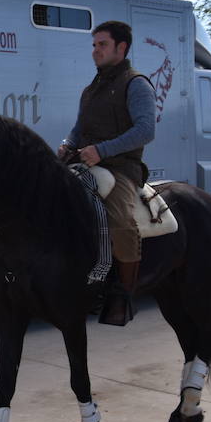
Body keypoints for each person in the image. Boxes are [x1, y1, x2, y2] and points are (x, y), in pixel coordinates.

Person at [57, 20, 156, 326]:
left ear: (121, 48)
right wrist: (68, 144)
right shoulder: (90, 89)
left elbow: (145, 130)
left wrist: (103, 150)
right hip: (84, 162)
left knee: (121, 222)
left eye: (102, 44)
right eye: (94, 45)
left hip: (121, 168)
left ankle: (123, 295)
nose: (95, 51)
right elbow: (79, 127)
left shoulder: (136, 83)